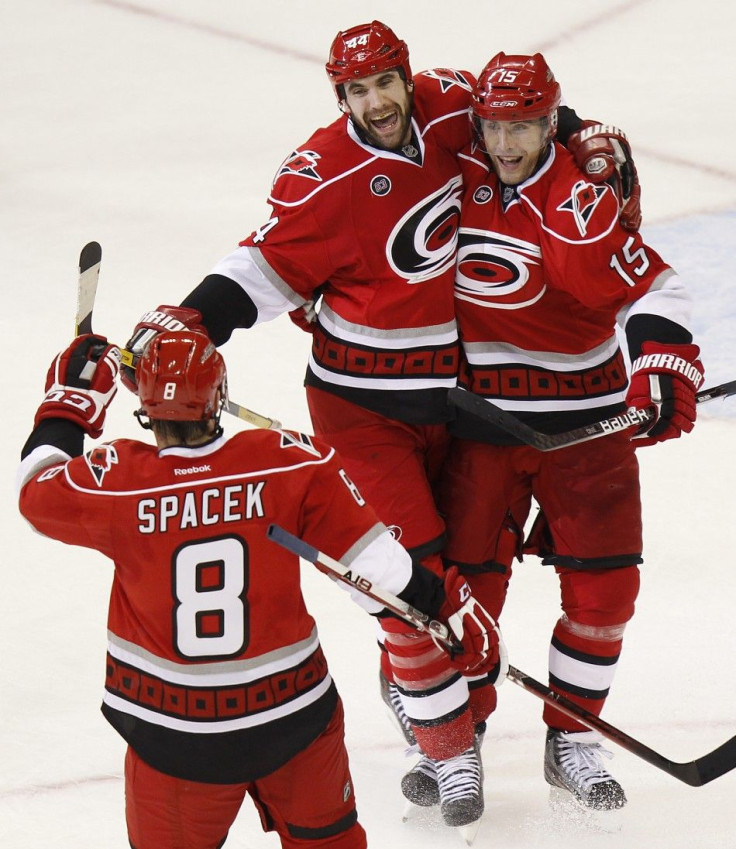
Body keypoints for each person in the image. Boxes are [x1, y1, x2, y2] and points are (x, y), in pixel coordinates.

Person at [120, 21, 642, 822]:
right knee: (412, 590)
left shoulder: (447, 102)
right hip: (363, 410)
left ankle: (452, 711)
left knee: (473, 586)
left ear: (405, 75)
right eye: (357, 92)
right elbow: (258, 267)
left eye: (384, 83)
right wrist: (191, 319)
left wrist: (589, 135)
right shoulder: (320, 171)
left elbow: (524, 112)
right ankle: (447, 748)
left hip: (463, 404)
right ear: (340, 97)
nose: (377, 102)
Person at [16, 330, 503, 847]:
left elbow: (35, 489)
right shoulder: (290, 461)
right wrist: (448, 609)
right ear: (220, 397)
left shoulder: (116, 481)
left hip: (174, 737)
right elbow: (382, 577)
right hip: (294, 720)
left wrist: (68, 405)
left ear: (145, 407)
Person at [439, 52, 704, 815]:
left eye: (523, 125)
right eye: (494, 125)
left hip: (586, 425)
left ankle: (575, 737)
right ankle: (462, 738)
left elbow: (654, 284)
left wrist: (656, 363)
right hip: (481, 423)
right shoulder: (456, 177)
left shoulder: (579, 201)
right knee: (466, 592)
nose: (506, 141)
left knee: (605, 591)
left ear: (550, 121)